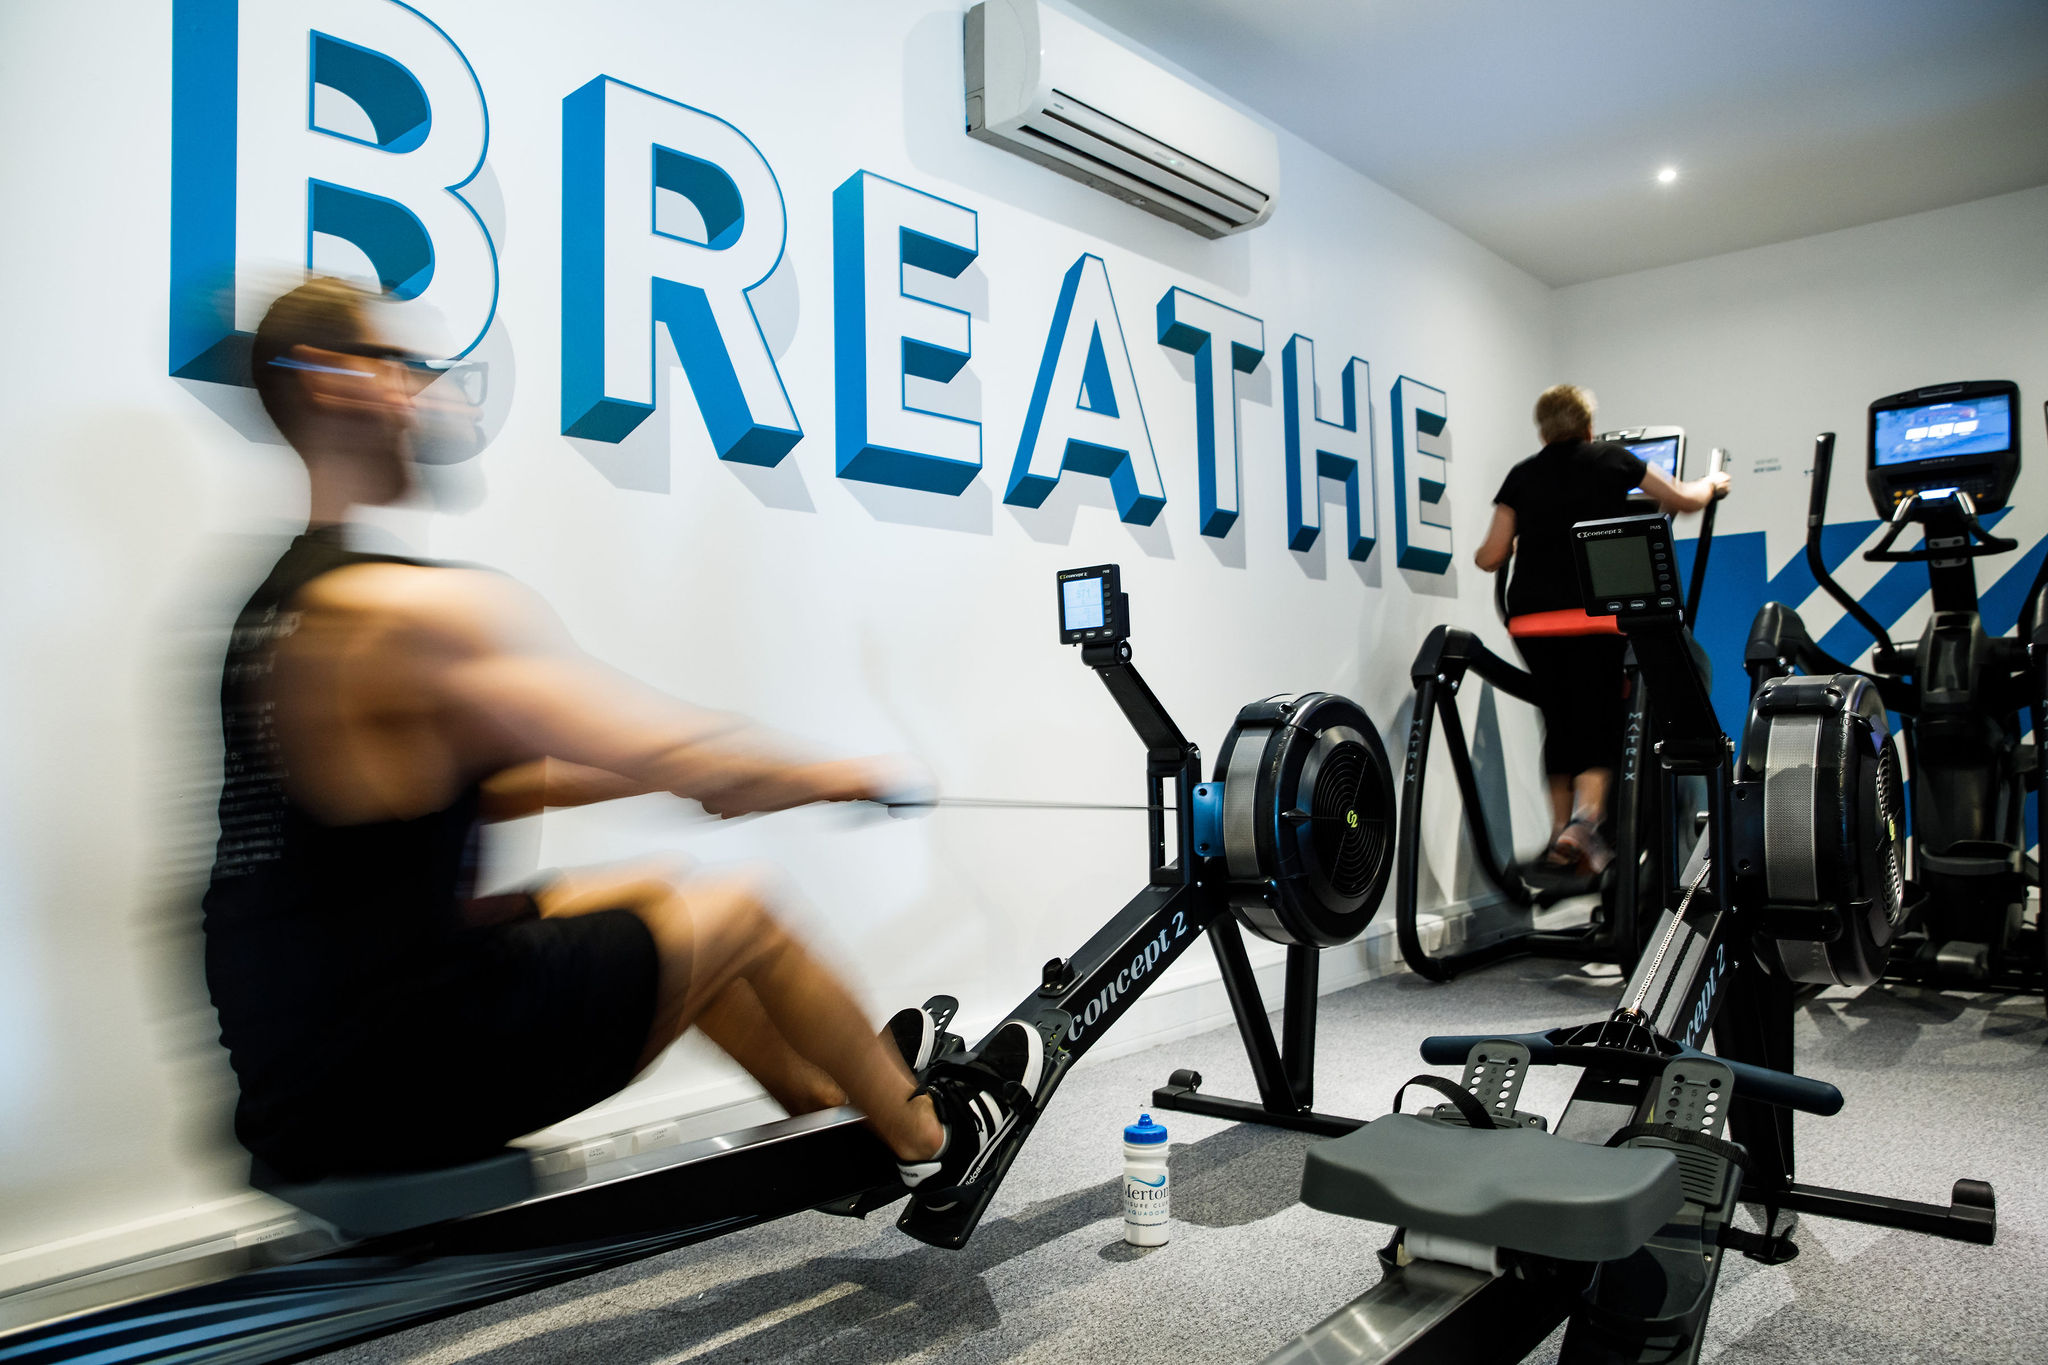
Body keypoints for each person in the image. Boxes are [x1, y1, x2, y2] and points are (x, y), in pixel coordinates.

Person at [201, 276, 1036, 1198]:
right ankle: (931, 1138)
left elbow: (523, 777)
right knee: (743, 911)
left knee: (661, 905)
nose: (420, 395)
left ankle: (829, 1114)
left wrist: (698, 780)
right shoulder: (400, 613)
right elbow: (685, 753)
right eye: (398, 366)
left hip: (308, 1063)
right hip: (393, 1072)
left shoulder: (281, 609)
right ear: (326, 377)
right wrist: (831, 774)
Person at [1473, 384, 1729, 874]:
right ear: (1589, 426)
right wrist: (1713, 482)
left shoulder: (1522, 475)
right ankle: (1587, 824)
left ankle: (1558, 833)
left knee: (1560, 719)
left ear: (1544, 430)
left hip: (1530, 623)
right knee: (1600, 718)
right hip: (1598, 617)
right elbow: (1684, 500)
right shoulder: (1613, 459)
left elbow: (1490, 556)